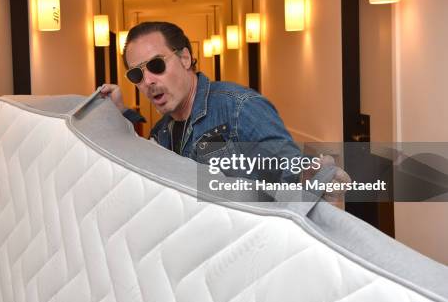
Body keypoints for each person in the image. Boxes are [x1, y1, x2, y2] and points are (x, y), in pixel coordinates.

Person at [101, 22, 349, 204]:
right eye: (137, 74)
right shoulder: (162, 133)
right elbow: (140, 164)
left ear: (185, 58)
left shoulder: (240, 107)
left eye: (156, 65)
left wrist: (314, 178)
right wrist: (119, 114)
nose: (148, 81)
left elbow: (288, 169)